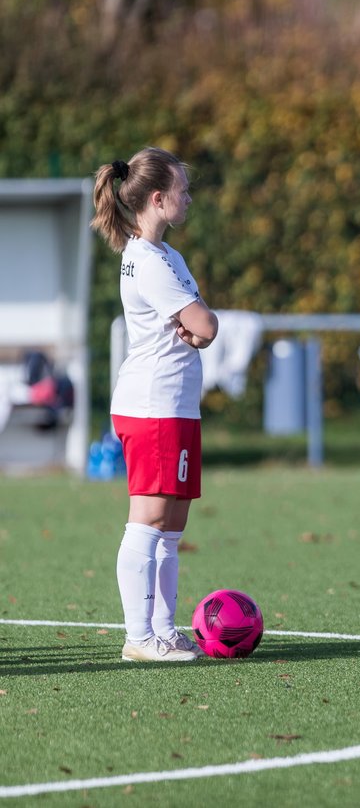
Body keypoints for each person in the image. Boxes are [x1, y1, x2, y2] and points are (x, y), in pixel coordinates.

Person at [91, 147, 219, 663]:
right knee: (147, 519)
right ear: (159, 198)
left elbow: (199, 327)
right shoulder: (145, 261)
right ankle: (139, 638)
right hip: (153, 405)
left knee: (172, 524)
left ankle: (163, 630)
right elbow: (205, 325)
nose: (189, 198)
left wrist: (198, 326)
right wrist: (200, 326)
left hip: (177, 405)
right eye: (183, 191)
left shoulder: (169, 256)